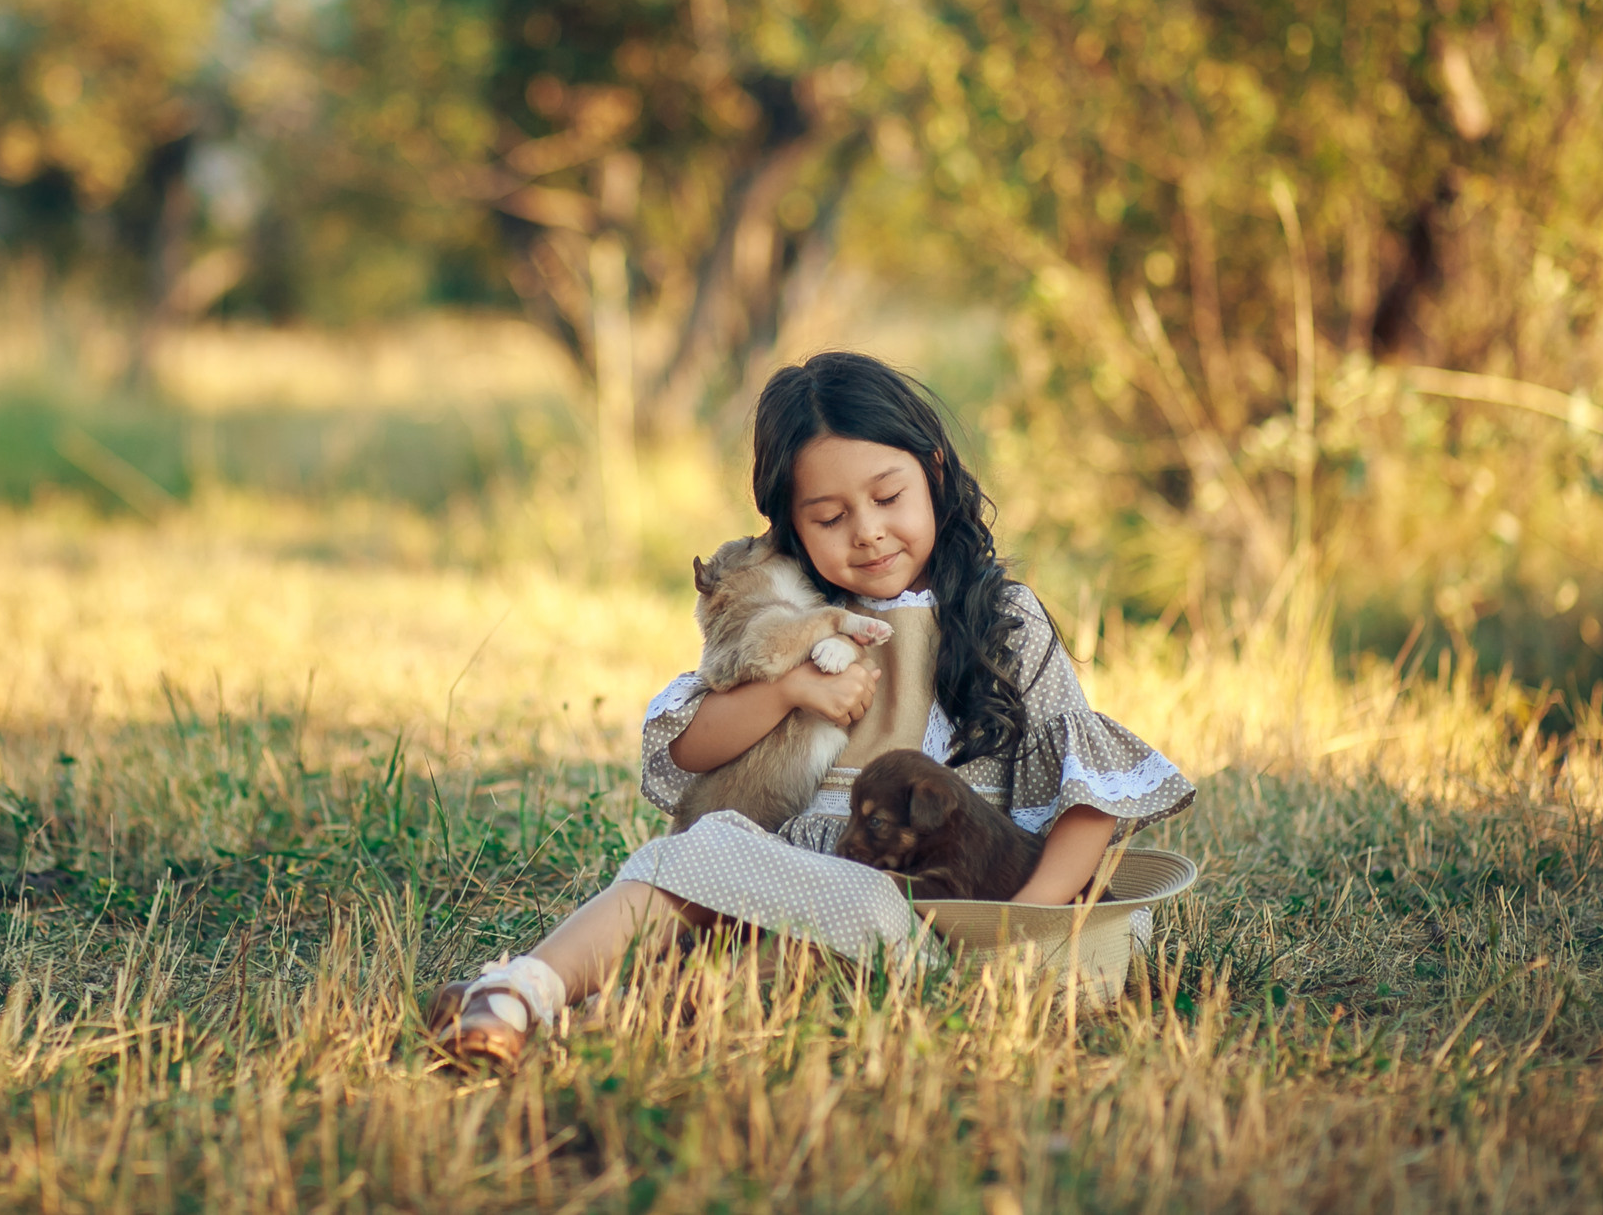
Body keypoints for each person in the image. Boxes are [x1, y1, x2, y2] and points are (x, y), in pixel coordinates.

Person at [425, 351, 1195, 1063]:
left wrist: (1020, 927)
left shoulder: (1004, 619)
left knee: (790, 952)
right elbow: (691, 747)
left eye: (888, 496)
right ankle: (523, 990)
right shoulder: (796, 621)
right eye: (828, 517)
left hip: (939, 907)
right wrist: (789, 686)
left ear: (933, 471)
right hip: (789, 874)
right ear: (790, 524)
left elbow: (1089, 798)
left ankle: (634, 1018)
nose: (867, 533)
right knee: (698, 855)